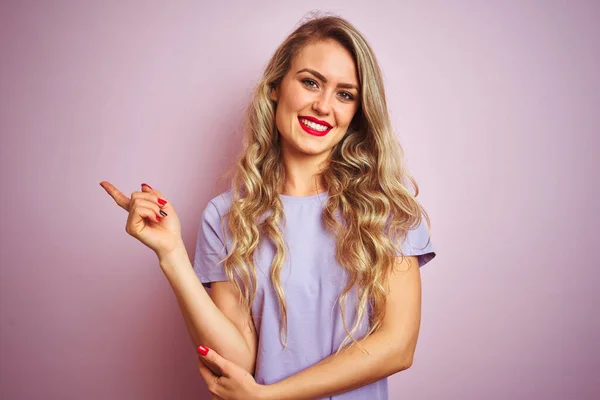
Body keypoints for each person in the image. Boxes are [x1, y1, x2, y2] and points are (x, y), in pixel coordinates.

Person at [101, 13, 435, 400]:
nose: (324, 106)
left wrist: (268, 396)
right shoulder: (225, 217)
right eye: (311, 82)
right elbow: (237, 361)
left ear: (357, 113)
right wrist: (172, 254)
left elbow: (398, 346)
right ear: (277, 86)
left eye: (345, 94)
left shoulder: (386, 210)